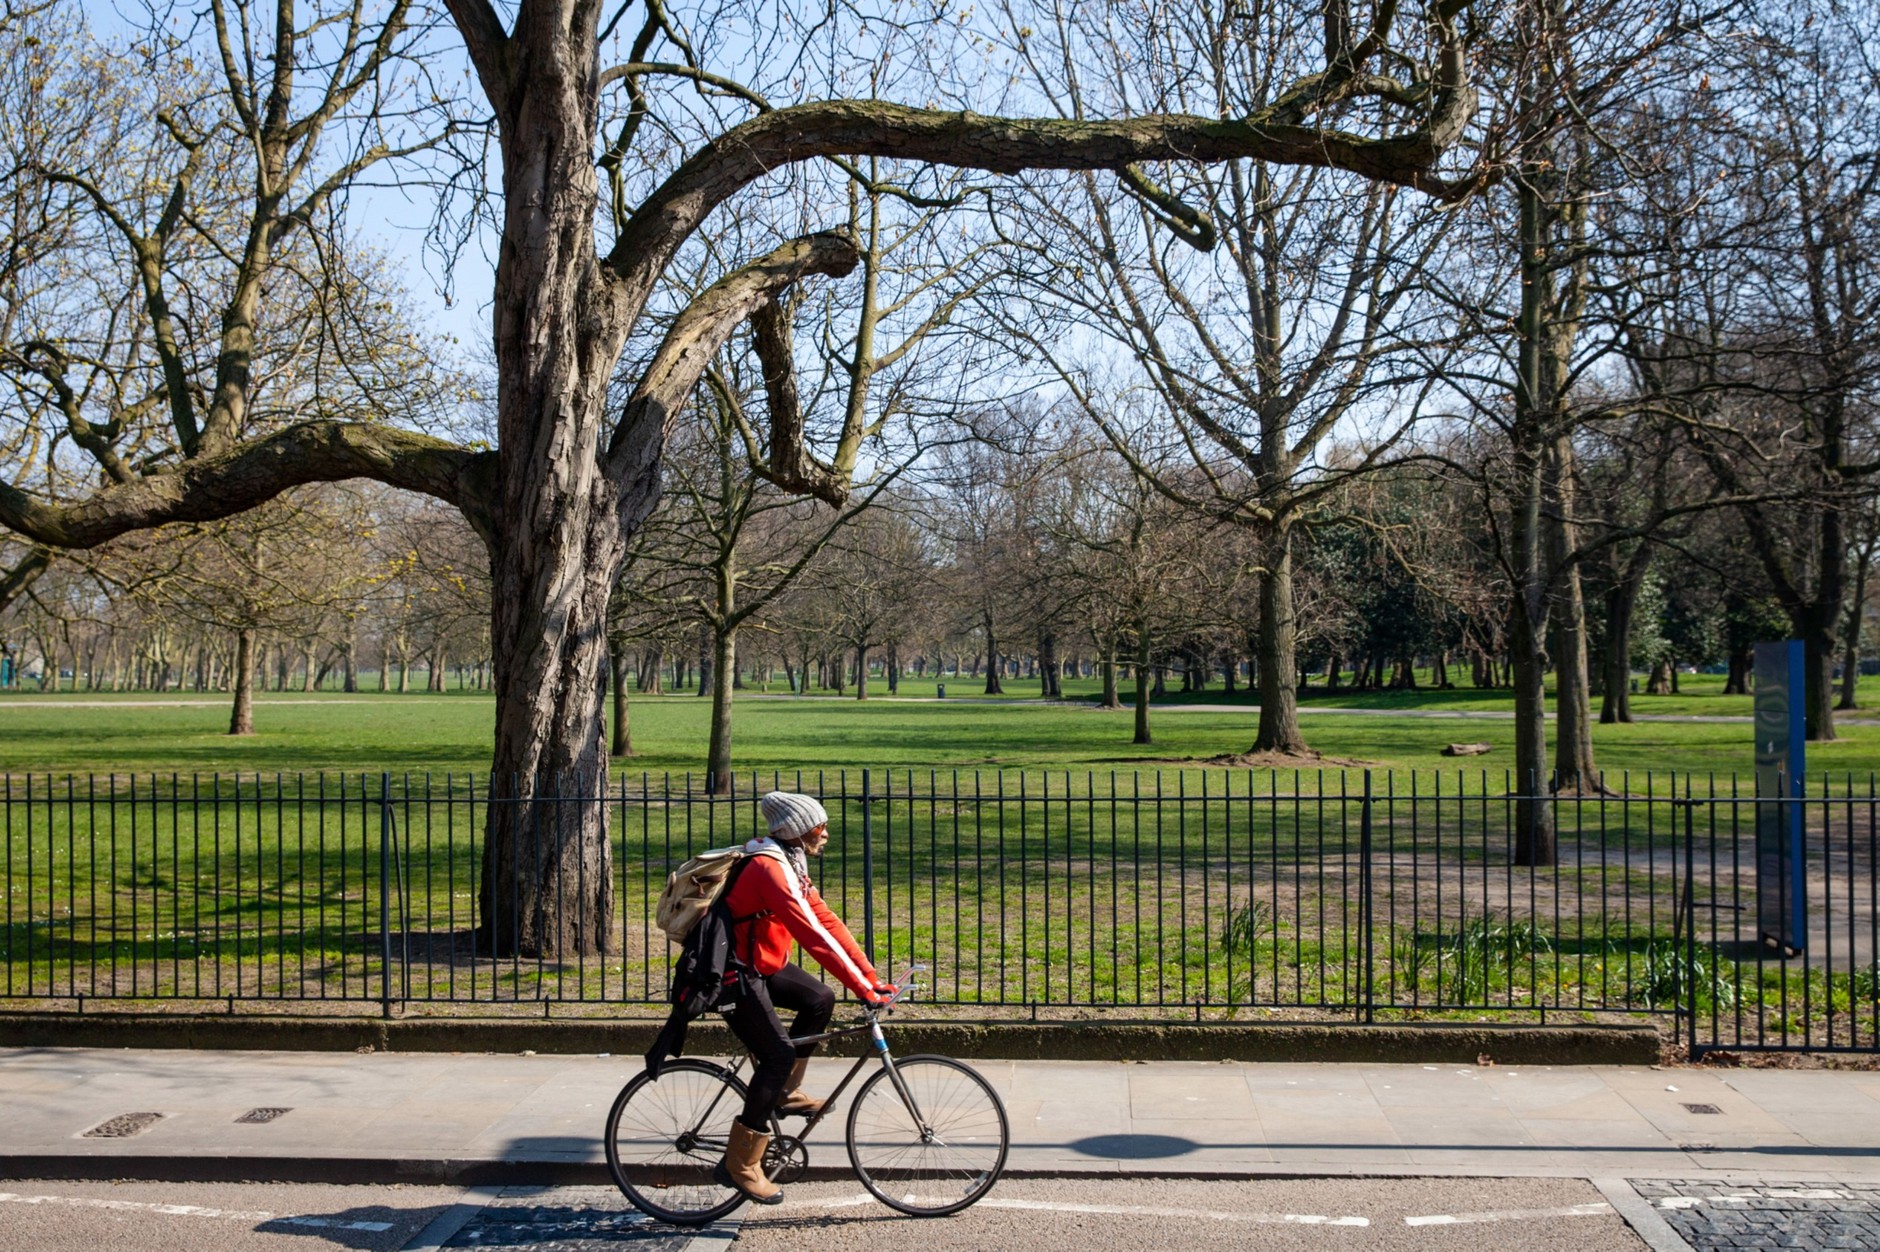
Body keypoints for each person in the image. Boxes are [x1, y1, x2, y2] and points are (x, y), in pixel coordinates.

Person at [712, 791, 895, 1205]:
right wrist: (864, 991)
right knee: (775, 1055)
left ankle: (783, 1093)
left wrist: (869, 978)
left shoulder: (790, 861)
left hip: (761, 965)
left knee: (819, 999)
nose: (826, 833)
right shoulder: (768, 869)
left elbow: (825, 919)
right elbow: (811, 936)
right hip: (732, 975)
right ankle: (739, 1163)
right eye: (819, 827)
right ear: (796, 831)